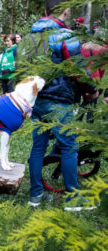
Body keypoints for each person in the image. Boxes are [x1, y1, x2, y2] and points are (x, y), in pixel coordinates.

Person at [17, 0, 97, 210]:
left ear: (45, 11)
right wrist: (91, 88)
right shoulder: (65, 36)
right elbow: (77, 69)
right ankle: (73, 198)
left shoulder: (28, 38)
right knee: (70, 146)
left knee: (38, 146)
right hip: (59, 101)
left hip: (35, 101)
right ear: (65, 11)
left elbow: (19, 69)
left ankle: (35, 195)